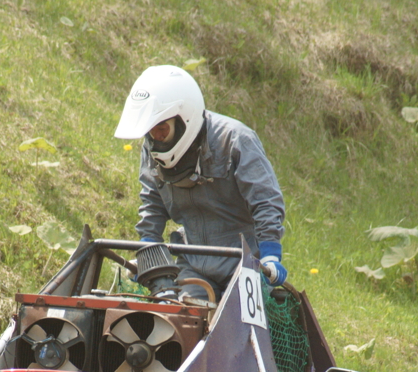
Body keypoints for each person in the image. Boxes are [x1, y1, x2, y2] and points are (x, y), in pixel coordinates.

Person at [114, 64, 288, 301]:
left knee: (242, 332)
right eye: (151, 130)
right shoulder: (152, 149)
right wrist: (147, 249)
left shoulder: (235, 140)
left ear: (183, 118)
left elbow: (265, 200)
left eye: (162, 129)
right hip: (193, 262)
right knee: (181, 322)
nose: (156, 137)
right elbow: (152, 203)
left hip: (244, 263)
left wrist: (270, 254)